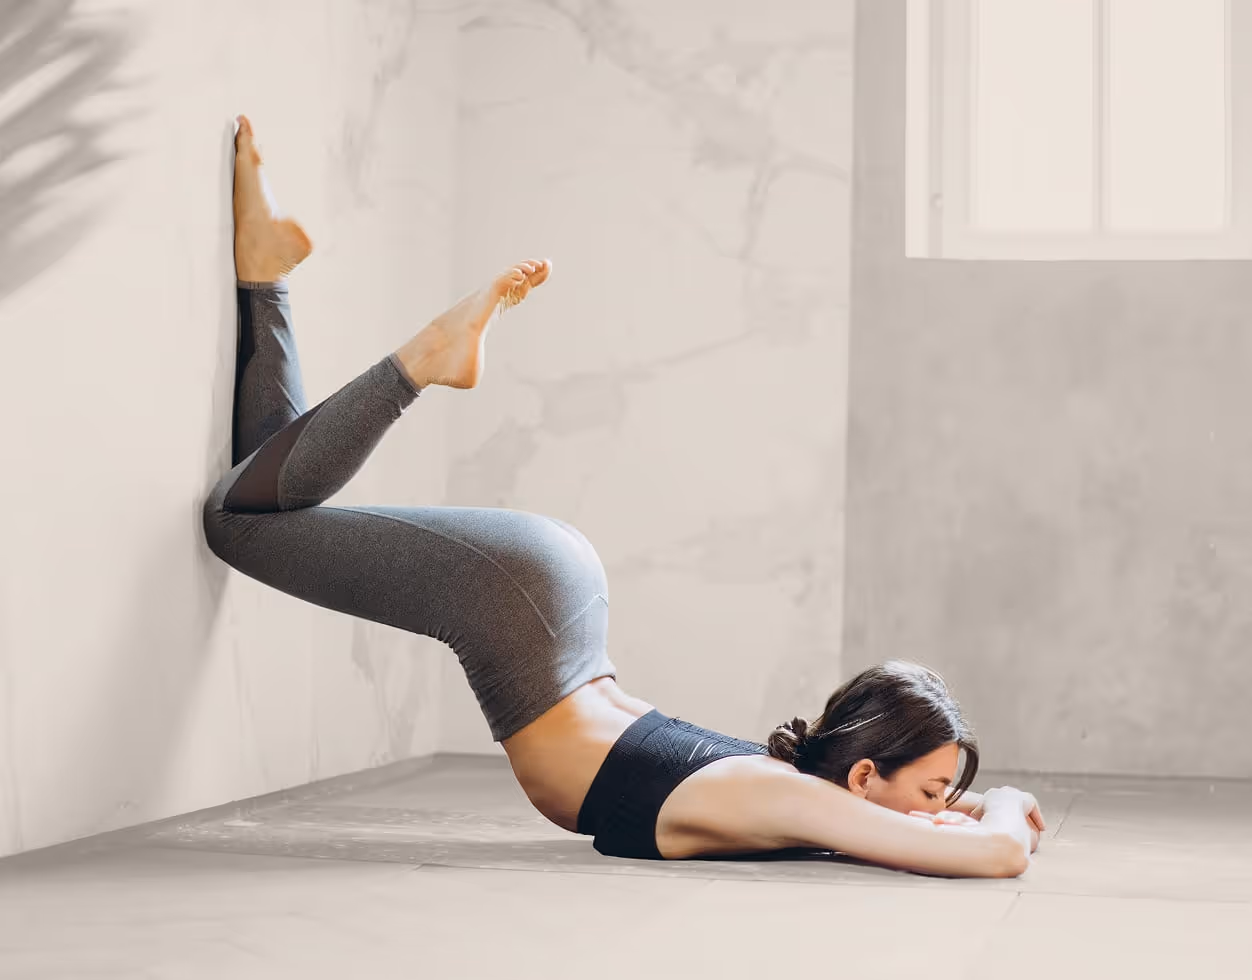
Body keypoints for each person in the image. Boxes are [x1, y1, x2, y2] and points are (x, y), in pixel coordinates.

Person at [204, 115, 1045, 878]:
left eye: (944, 797)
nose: (944, 811)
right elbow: (1001, 853)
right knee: (235, 521)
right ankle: (423, 360)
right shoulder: (800, 800)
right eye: (934, 791)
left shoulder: (793, 787)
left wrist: (952, 801)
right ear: (864, 775)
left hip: (552, 597)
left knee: (270, 507)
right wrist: (1000, 804)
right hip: (518, 607)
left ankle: (266, 276)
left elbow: (938, 827)